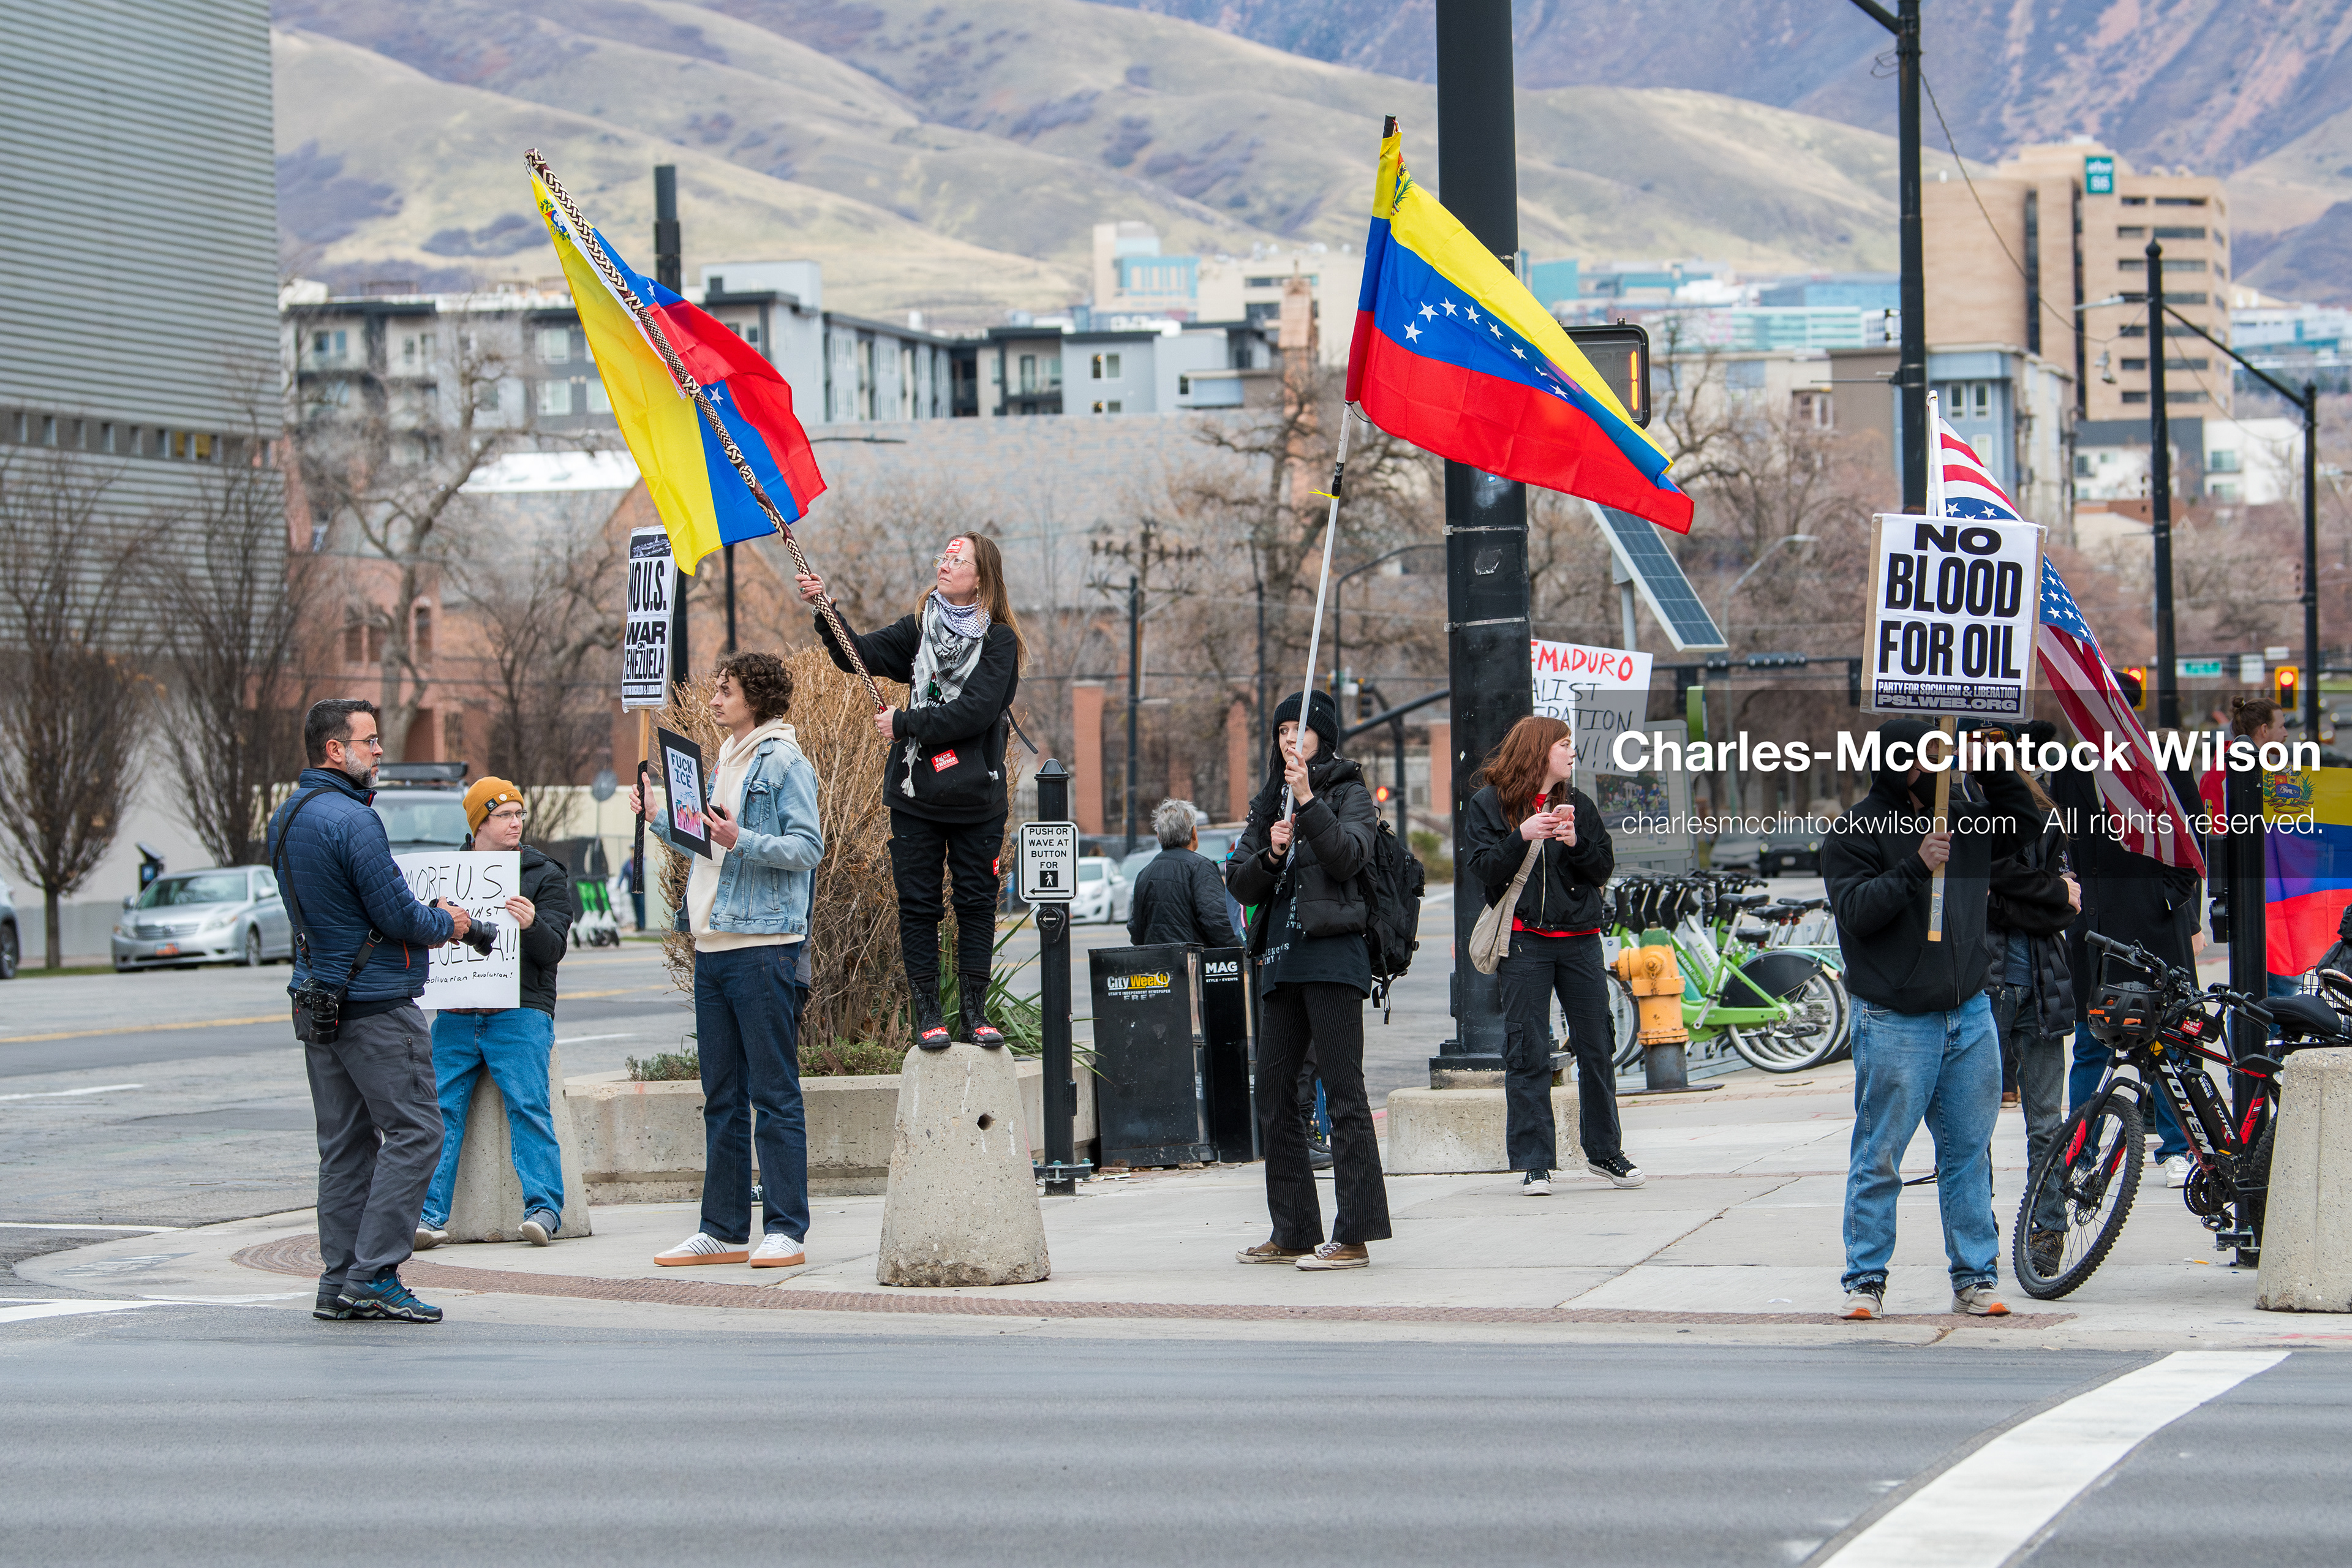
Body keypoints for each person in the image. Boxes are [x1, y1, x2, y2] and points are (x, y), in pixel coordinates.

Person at [1823, 716, 2034, 1321]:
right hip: (1894, 1019)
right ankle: (1865, 1279)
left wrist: (1990, 762)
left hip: (1968, 1012)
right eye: (1929, 757)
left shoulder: (1963, 815)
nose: (1940, 767)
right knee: (1880, 1154)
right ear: (1900, 763)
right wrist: (1917, 865)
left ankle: (1975, 1276)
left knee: (1970, 1153)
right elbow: (1857, 912)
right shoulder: (1857, 829)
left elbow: (2026, 828)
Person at [269, 698, 470, 1325]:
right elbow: (397, 916)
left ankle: (339, 1279)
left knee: (346, 1145)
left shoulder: (288, 815)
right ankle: (375, 1272)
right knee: (419, 1131)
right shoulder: (354, 820)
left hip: (319, 999)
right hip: (376, 1006)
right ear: (337, 750)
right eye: (371, 741)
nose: (381, 750)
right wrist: (450, 921)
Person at [627, 652, 825, 1268]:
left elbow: (807, 846)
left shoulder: (782, 760)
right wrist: (660, 818)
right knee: (721, 1095)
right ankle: (722, 1228)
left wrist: (744, 838)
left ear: (756, 697)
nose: (714, 700)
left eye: (725, 690)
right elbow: (704, 843)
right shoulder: (725, 763)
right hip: (711, 942)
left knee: (774, 1093)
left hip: (762, 945)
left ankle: (787, 1228)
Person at [797, 535, 1022, 1049]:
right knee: (918, 905)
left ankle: (973, 1012)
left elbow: (977, 712)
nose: (944, 565)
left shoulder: (1000, 642)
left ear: (982, 577)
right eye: (942, 558)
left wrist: (905, 722)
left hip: (977, 799)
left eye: (957, 560)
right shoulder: (921, 628)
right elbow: (859, 656)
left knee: (976, 905)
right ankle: (928, 1013)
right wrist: (825, 611)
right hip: (914, 793)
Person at [1226, 690, 1390, 1270]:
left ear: (1324, 735)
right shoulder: (1269, 802)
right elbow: (1240, 883)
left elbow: (1349, 857)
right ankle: (1293, 1228)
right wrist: (1270, 855)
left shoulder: (1348, 792)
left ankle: (1355, 1234)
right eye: (1282, 730)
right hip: (1281, 960)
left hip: (1334, 956)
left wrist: (1308, 802)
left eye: (1301, 729)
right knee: (1274, 1096)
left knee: (1344, 1095)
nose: (1290, 739)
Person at [1460, 714, 1643, 1196]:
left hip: (1580, 939)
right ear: (1540, 750)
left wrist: (1575, 842)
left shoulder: (1577, 803)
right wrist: (1522, 835)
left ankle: (1606, 1153)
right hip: (1524, 941)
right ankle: (1535, 1162)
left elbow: (1602, 865)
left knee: (1597, 1045)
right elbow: (1481, 867)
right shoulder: (1489, 805)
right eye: (1563, 744)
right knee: (1528, 1050)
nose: (1571, 751)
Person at [415, 778, 576, 1250]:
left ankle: (545, 1211)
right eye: (505, 815)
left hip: (520, 1010)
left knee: (529, 1106)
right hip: (459, 1012)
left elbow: (554, 952)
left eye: (519, 815)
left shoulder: (543, 873)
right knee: (439, 1111)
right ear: (479, 822)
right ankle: (427, 1216)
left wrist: (531, 925)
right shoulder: (445, 873)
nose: (516, 823)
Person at [2054, 748, 2201, 1186]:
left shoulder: (2163, 760)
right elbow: (2063, 836)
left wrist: (2170, 895)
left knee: (2168, 1042)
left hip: (2153, 926)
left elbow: (2194, 831)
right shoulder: (2072, 765)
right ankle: (2080, 1152)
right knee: (2091, 1047)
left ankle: (2177, 1149)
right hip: (2094, 932)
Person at [1978, 741, 2081, 1280]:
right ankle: (1980, 1234)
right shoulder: (1961, 807)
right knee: (1976, 1125)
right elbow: (1979, 891)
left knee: (2046, 1122)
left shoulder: (2044, 815)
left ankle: (2048, 1231)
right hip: (1984, 984)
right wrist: (2044, 894)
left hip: (2042, 982)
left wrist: (2027, 895)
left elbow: (2069, 905)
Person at [1127, 798, 1240, 946]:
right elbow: (1218, 924)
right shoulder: (1200, 867)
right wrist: (1243, 951)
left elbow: (1136, 930)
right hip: (1195, 964)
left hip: (1157, 966)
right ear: (1193, 833)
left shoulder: (1144, 874)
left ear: (1159, 836)